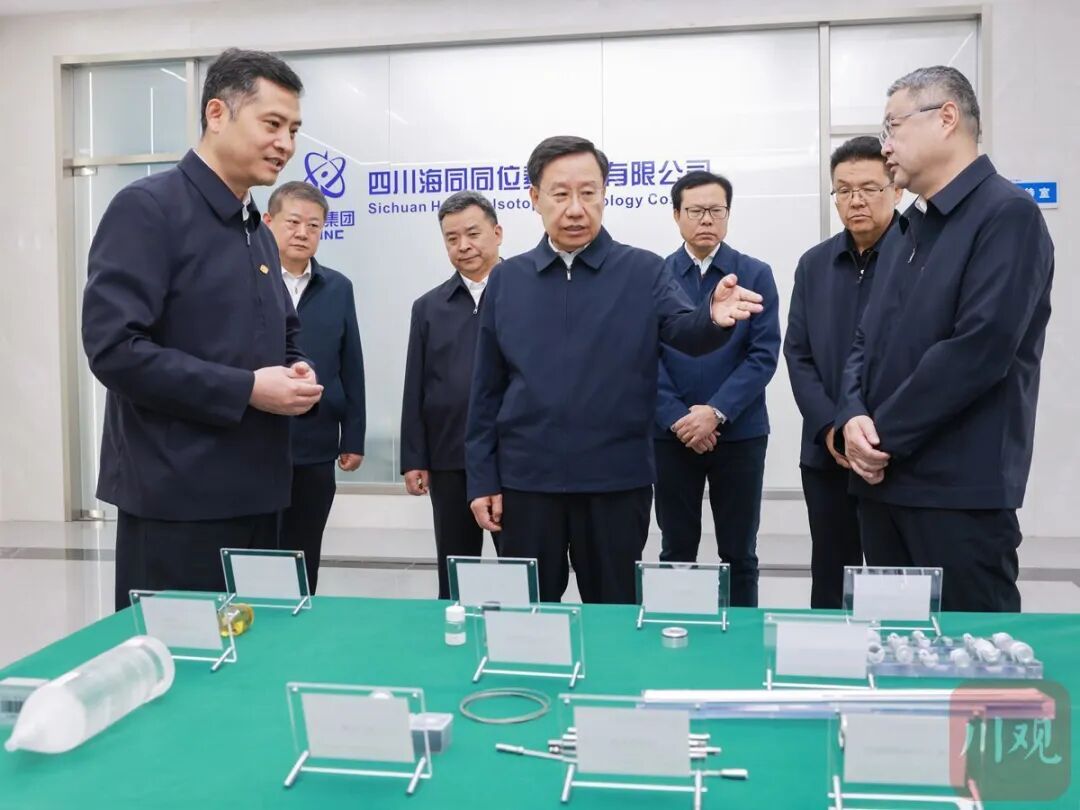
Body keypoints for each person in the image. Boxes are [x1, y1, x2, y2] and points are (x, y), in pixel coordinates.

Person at [466, 135, 764, 604]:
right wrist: (482, 478)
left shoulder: (642, 271)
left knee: (614, 615)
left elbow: (686, 331)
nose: (575, 208)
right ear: (535, 198)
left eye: (588, 192)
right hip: (526, 483)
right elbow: (486, 388)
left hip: (616, 483)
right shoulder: (507, 279)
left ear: (605, 194)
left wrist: (711, 317)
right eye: (560, 194)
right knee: (527, 615)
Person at [82, 48, 321, 611]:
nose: (286, 143)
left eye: (293, 129)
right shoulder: (148, 209)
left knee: (256, 653)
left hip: (260, 494)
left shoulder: (256, 231)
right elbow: (115, 349)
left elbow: (282, 333)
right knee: (179, 659)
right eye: (272, 124)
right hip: (176, 503)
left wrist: (296, 368)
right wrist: (248, 388)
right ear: (217, 113)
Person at [836, 66, 1054, 612]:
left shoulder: (1007, 215)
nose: (885, 146)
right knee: (889, 648)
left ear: (947, 118)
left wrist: (880, 437)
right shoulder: (907, 228)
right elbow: (864, 340)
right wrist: (851, 415)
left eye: (893, 127)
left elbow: (979, 349)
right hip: (882, 487)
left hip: (957, 496)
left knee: (969, 656)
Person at [784, 136, 902, 608]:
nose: (856, 200)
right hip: (827, 452)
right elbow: (798, 354)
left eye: (869, 188)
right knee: (831, 572)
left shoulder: (918, 255)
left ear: (896, 189)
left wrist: (876, 434)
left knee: (896, 579)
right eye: (844, 190)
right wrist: (832, 428)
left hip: (894, 451)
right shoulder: (814, 264)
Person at [653, 170, 780, 607]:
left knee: (740, 551)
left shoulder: (755, 274)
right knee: (676, 549)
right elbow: (642, 358)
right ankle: (675, 628)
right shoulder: (656, 275)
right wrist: (678, 417)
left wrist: (715, 412)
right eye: (695, 210)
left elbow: (763, 354)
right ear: (676, 215)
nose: (706, 219)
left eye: (716, 210)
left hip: (739, 433)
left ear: (728, 214)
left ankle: (743, 637)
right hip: (671, 435)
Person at [264, 181, 366, 594]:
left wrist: (353, 436)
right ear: (268, 222)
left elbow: (351, 363)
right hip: (255, 438)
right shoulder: (247, 282)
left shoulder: (338, 287)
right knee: (259, 546)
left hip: (315, 438)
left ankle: (302, 613)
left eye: (313, 225)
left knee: (305, 545)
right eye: (293, 222)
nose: (302, 233)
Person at [401, 191, 503, 599]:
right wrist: (415, 457)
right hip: (449, 456)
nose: (463, 246)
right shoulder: (428, 307)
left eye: (473, 234)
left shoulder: (527, 294)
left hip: (512, 457)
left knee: (521, 563)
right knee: (455, 567)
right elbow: (416, 384)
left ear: (497, 233)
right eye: (452, 238)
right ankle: (456, 631)